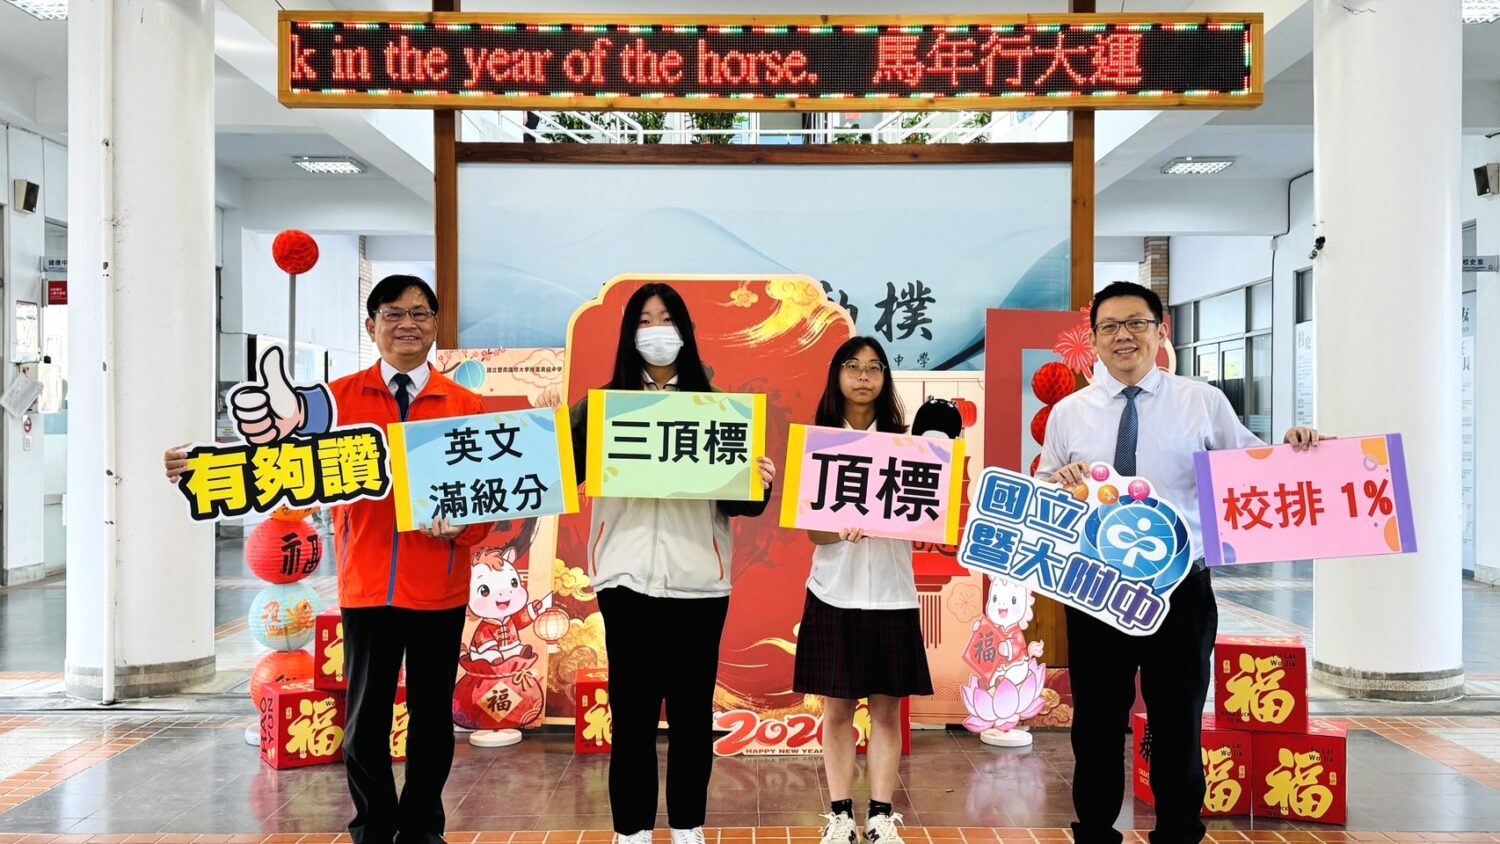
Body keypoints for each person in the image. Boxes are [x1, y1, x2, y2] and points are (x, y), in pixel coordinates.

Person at [166, 275, 490, 844]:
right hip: (368, 586)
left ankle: (422, 829)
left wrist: (464, 528)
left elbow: (489, 504)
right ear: (371, 326)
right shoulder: (338, 402)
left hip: (439, 588)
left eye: (420, 313)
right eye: (393, 313)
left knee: (432, 721)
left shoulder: (466, 407)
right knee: (365, 721)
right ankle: (373, 827)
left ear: (436, 326)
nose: (407, 324)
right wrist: (201, 467)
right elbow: (273, 459)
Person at [1037, 281, 1325, 844]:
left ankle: (1176, 832)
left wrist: (1298, 448)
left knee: (1178, 718)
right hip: (1097, 589)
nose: (1123, 336)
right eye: (1109, 326)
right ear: (1093, 339)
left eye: (1136, 323)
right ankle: (1094, 830)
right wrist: (1058, 481)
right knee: (1096, 722)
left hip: (1180, 590)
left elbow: (1252, 466)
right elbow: (1047, 487)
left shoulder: (1201, 401)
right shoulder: (1069, 414)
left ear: (1160, 330)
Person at [566, 282, 776, 844]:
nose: (656, 331)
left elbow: (740, 504)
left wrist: (760, 483)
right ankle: (631, 830)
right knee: (632, 715)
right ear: (628, 334)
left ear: (685, 331)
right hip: (624, 578)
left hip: (699, 583)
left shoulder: (718, 408)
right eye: (644, 320)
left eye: (667, 319)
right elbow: (560, 468)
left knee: (691, 718)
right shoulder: (602, 407)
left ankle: (688, 826)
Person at [794, 337, 932, 844]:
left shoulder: (909, 445)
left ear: (885, 379)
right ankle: (839, 816)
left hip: (893, 593)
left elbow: (927, 516)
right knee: (836, 710)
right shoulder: (819, 444)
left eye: (874, 368)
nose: (863, 377)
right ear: (837, 375)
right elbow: (813, 532)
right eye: (853, 367)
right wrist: (840, 529)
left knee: (887, 711)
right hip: (835, 591)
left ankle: (880, 815)